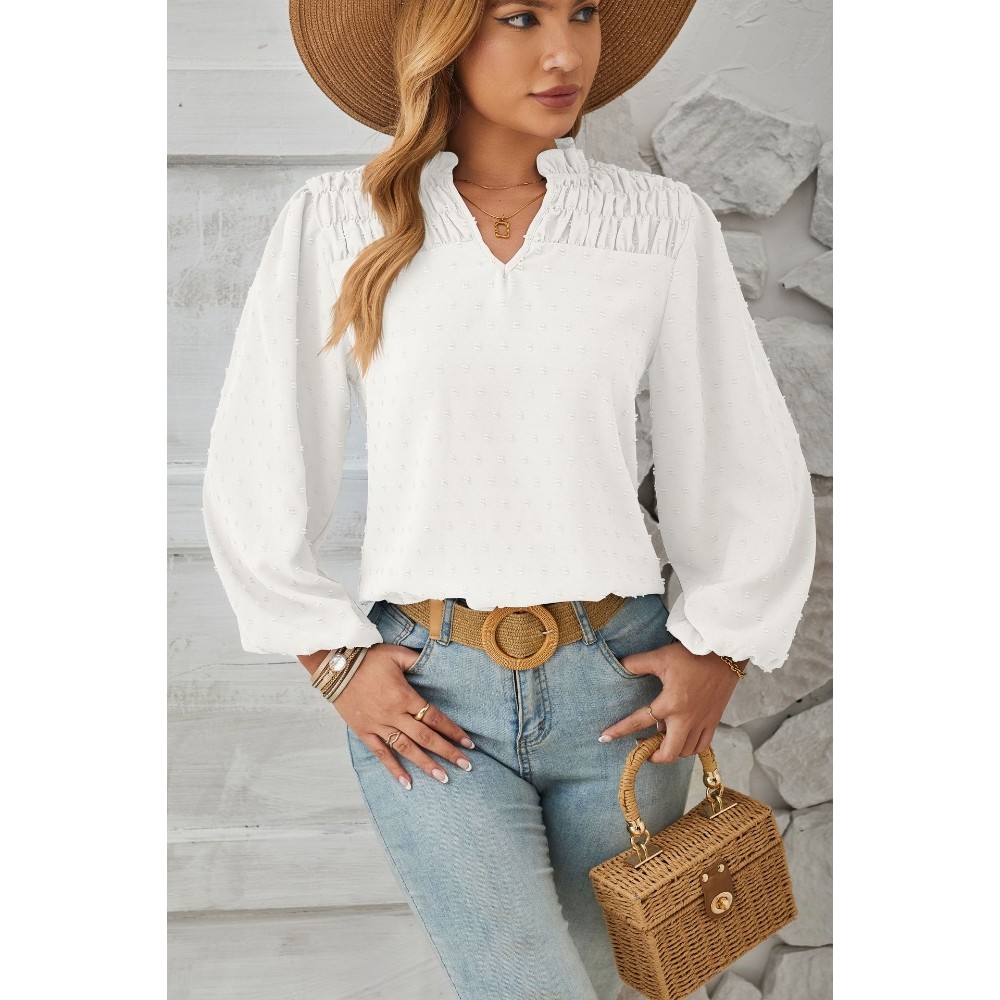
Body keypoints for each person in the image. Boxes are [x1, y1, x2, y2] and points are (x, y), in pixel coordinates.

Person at [201, 1, 816, 997]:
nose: (565, 51)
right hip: (427, 696)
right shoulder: (336, 220)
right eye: (520, 16)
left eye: (582, 12)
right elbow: (257, 454)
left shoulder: (656, 223)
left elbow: (737, 443)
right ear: (443, 33)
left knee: (611, 988)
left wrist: (720, 647)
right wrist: (330, 660)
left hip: (620, 690)